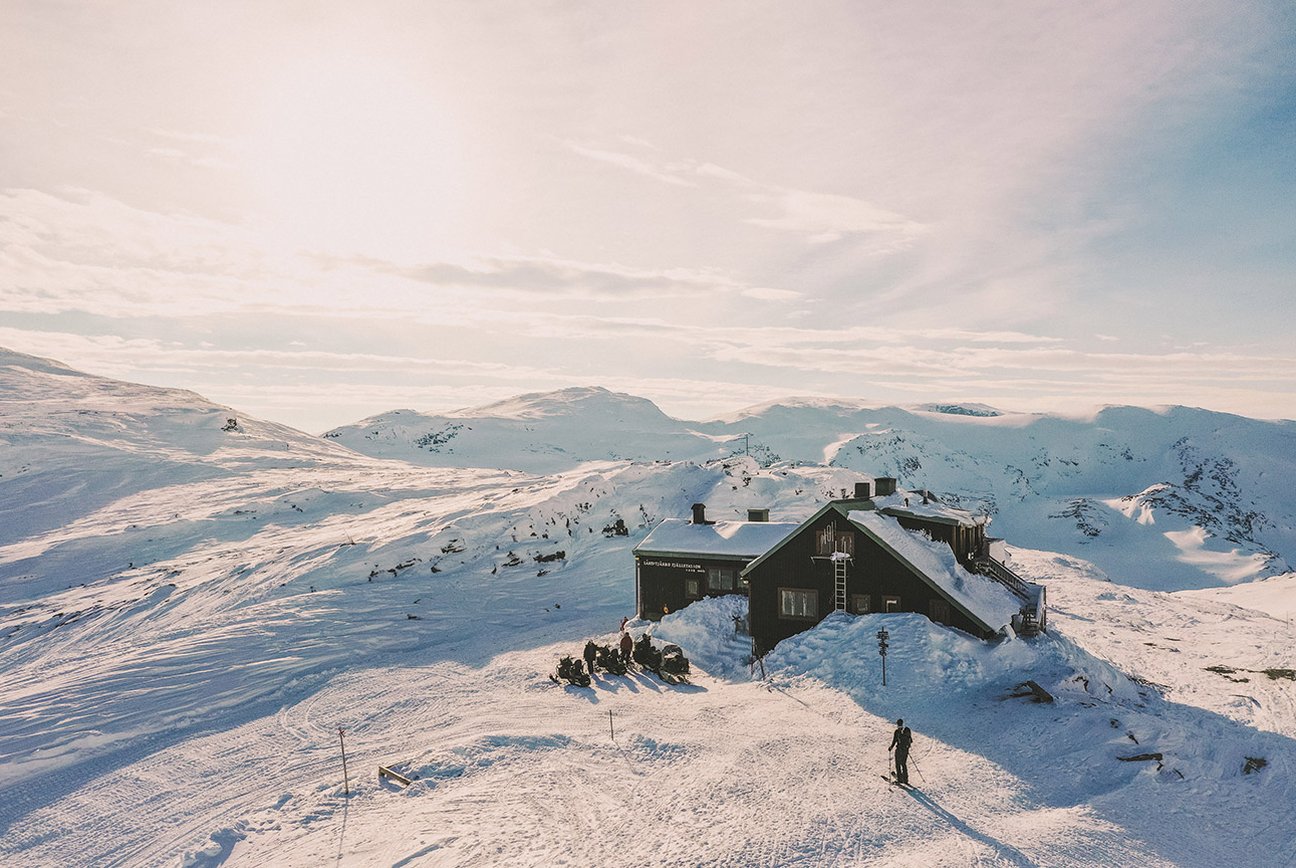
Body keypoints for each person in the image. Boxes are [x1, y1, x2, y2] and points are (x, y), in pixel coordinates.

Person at [889, 719, 913, 784]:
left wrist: (891, 747)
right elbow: (911, 740)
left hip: (899, 750)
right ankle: (905, 779)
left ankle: (899, 779)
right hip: (905, 750)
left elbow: (894, 741)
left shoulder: (897, 732)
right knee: (903, 763)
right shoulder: (907, 730)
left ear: (897, 724)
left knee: (898, 764)